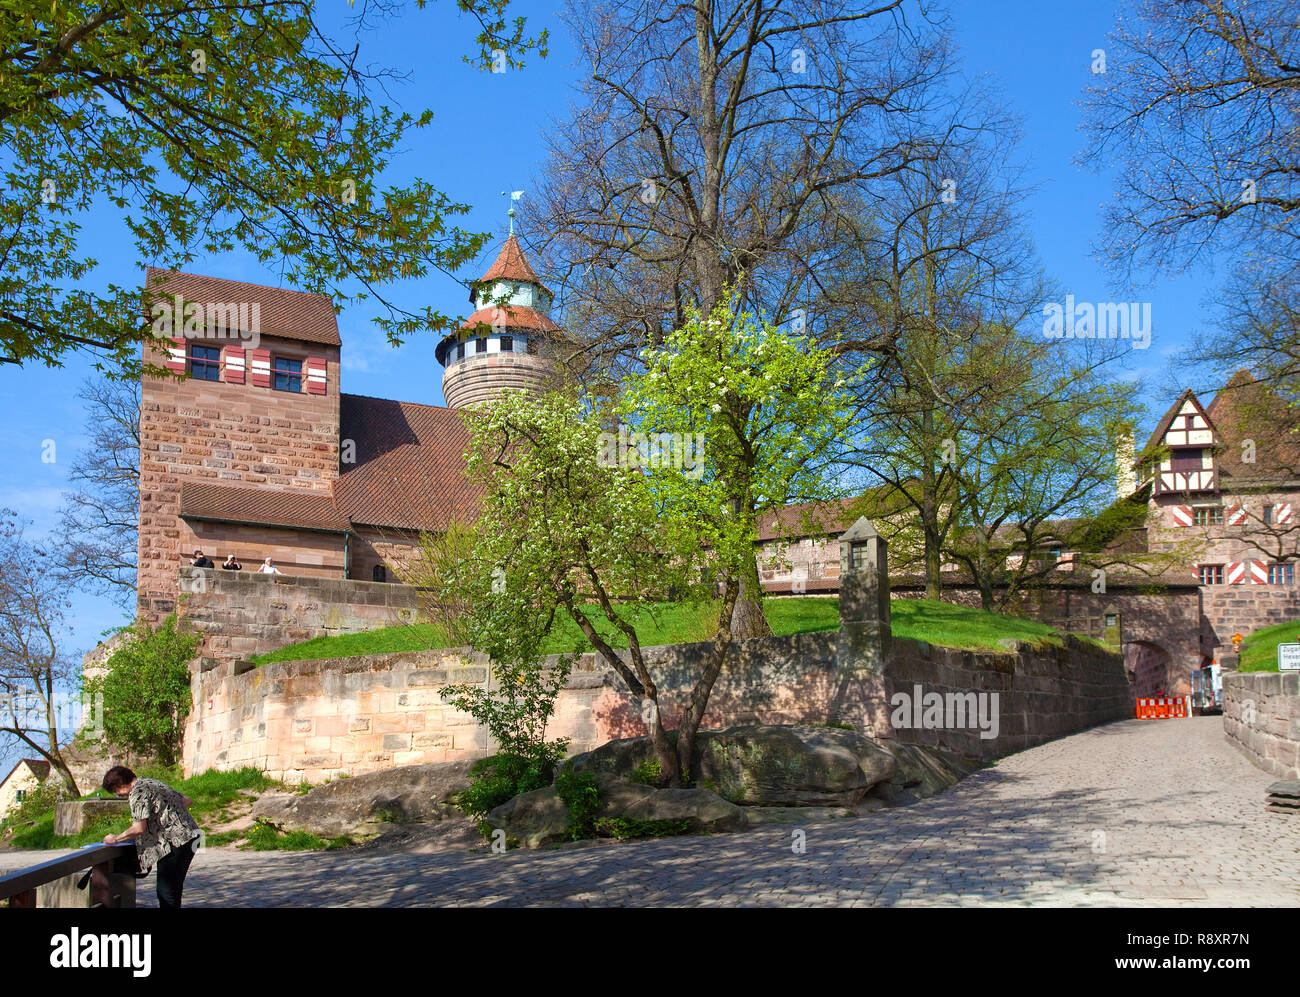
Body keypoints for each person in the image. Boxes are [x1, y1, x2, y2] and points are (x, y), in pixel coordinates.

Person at [102, 766, 202, 909]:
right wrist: (163, 815)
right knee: (174, 887)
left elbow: (138, 828)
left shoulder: (137, 792)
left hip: (174, 842)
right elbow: (186, 800)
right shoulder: (153, 783)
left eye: (115, 791)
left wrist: (116, 839)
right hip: (191, 836)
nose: (117, 795)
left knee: (166, 892)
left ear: (120, 785)